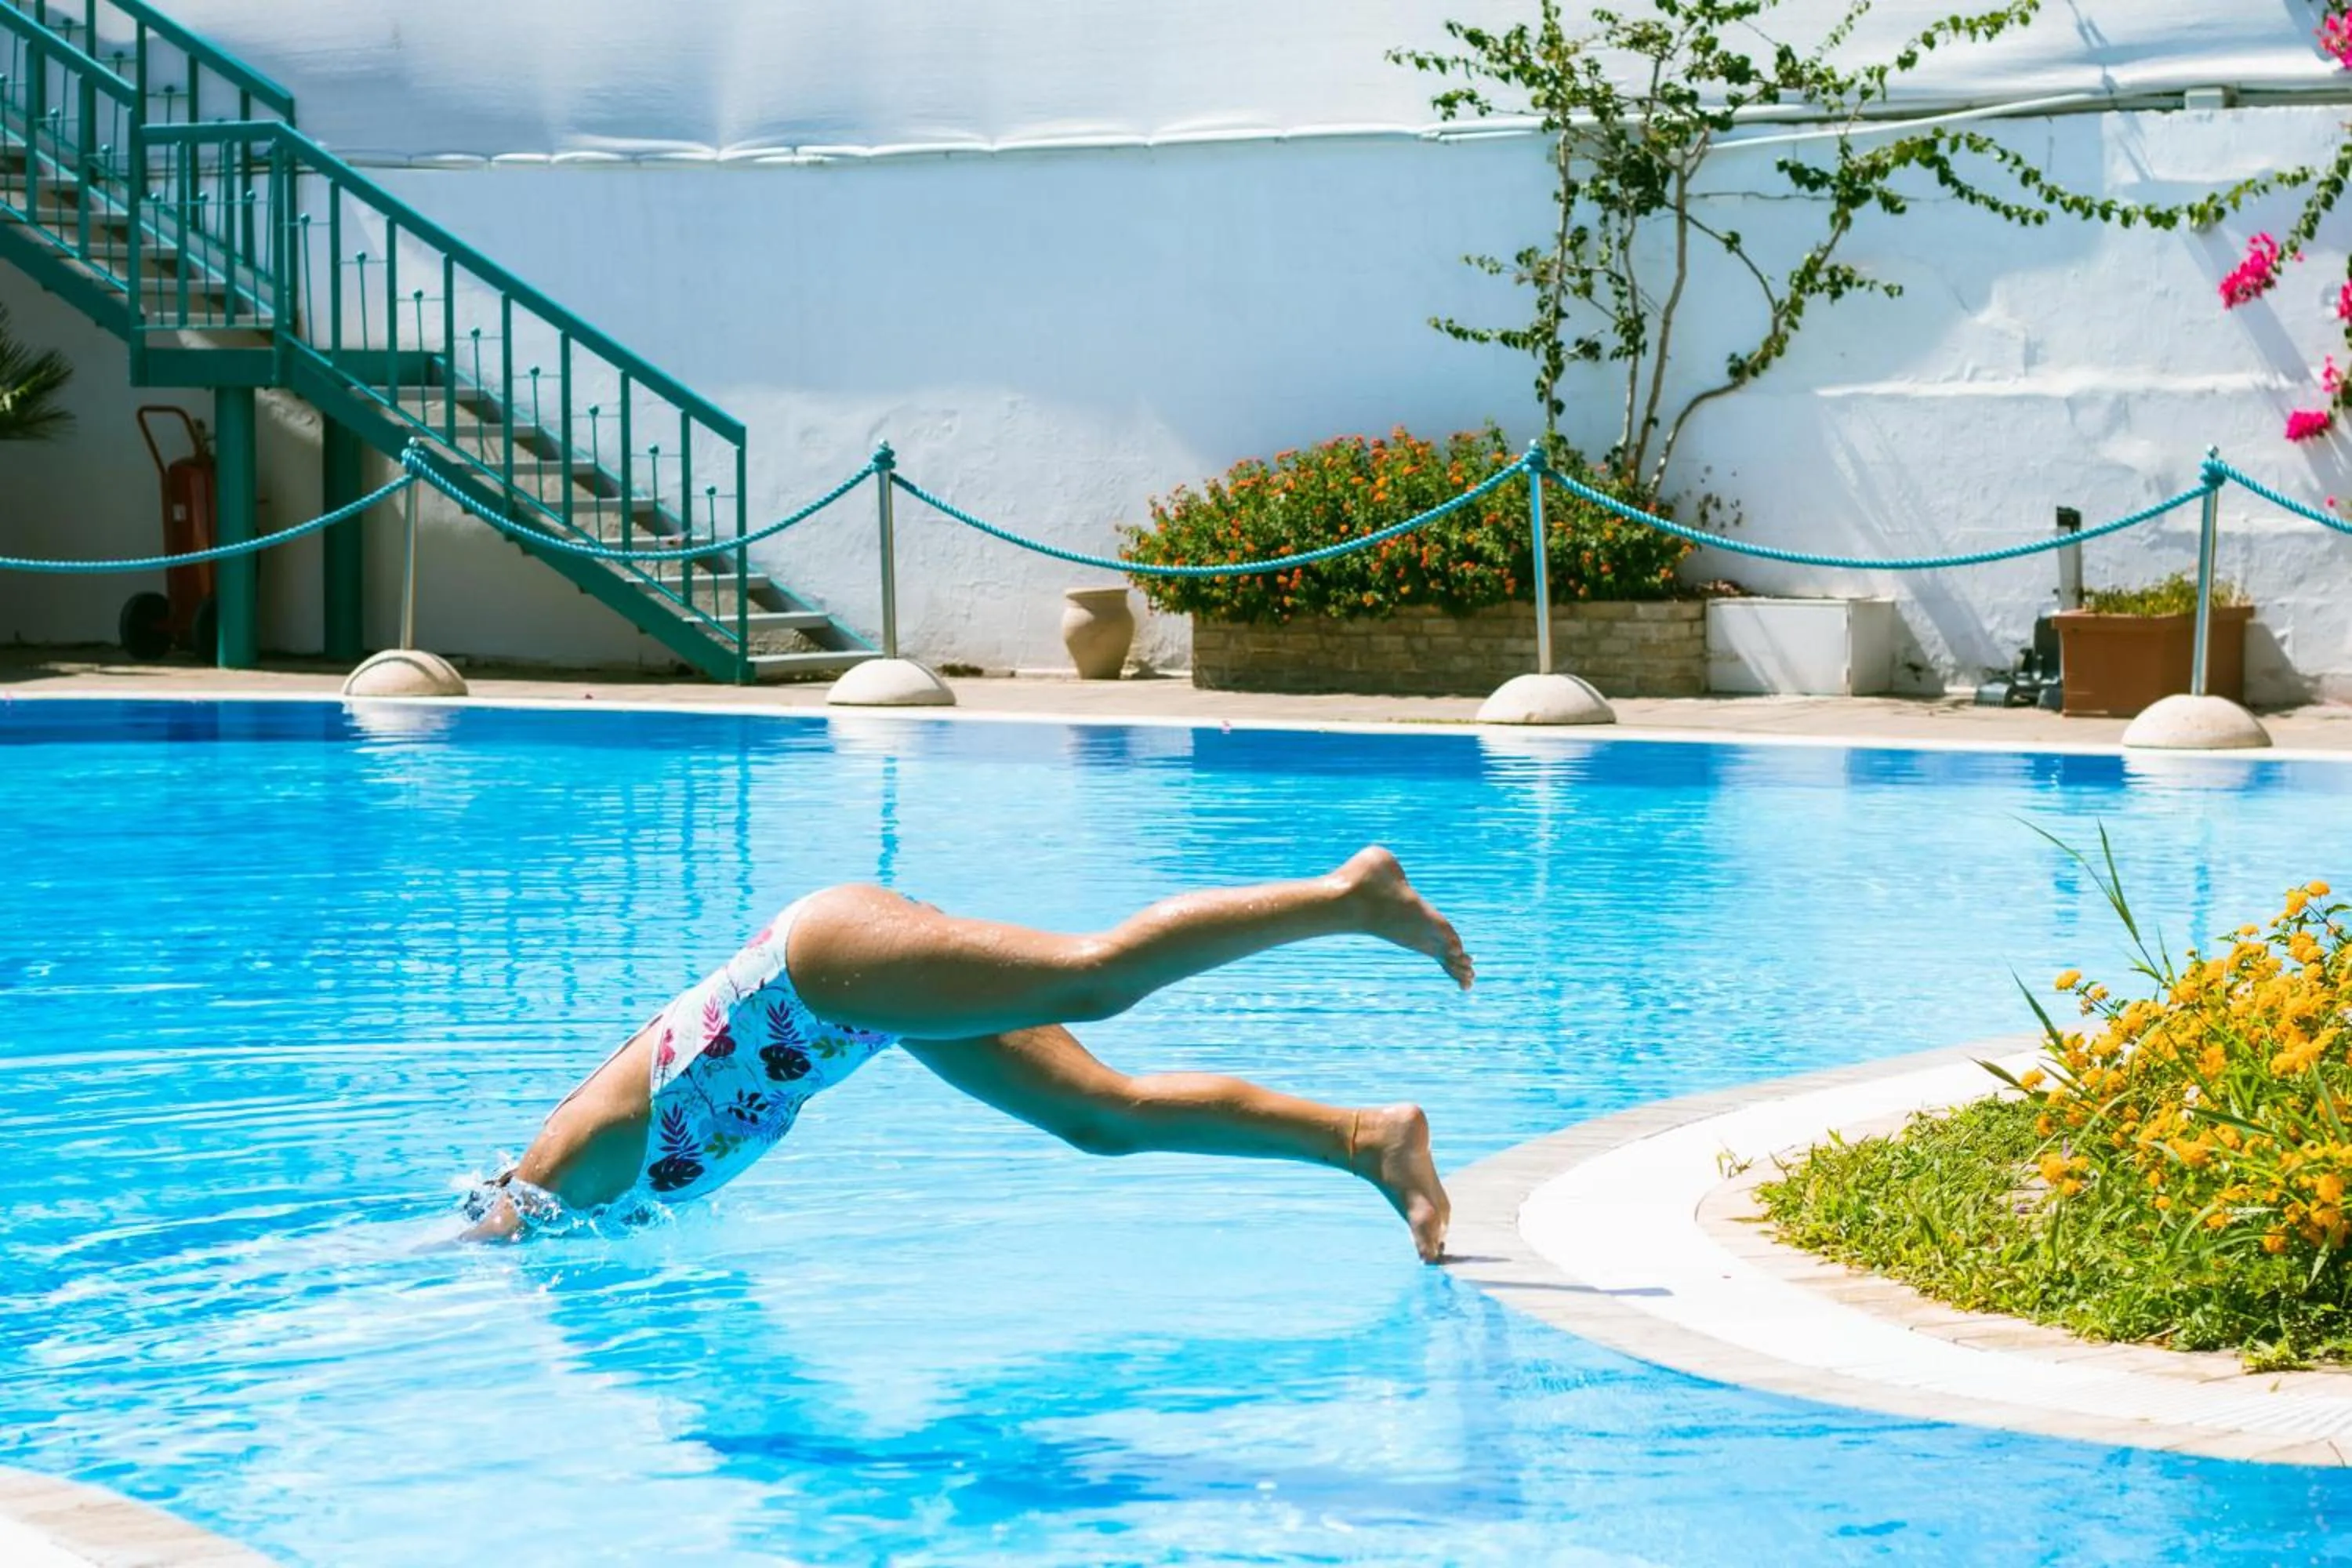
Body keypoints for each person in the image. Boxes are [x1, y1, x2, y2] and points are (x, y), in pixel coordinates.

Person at [464, 847, 1472, 1261]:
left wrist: (440, 1261)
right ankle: (1368, 1139)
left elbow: (485, 1238)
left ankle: (1350, 895)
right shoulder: (598, 1196)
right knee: (1100, 1116)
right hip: (846, 1014)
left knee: (1095, 977)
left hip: (820, 968)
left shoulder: (564, 1172)